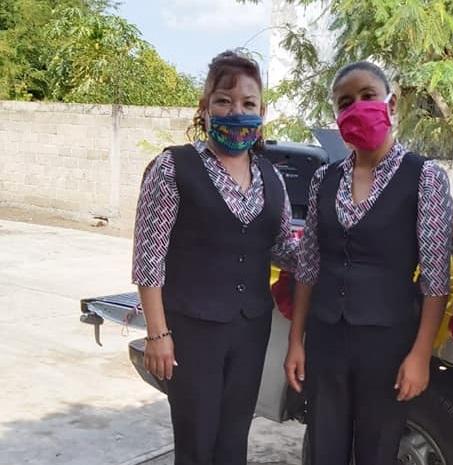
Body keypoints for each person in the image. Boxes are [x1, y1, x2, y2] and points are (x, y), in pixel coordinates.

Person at [132, 50, 297, 465]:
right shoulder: (174, 167)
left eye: (248, 103)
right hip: (190, 331)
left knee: (233, 439)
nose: (235, 111)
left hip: (249, 329)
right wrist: (158, 334)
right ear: (205, 107)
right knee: (195, 442)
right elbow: (149, 257)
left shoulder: (271, 177)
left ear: (262, 113)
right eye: (224, 100)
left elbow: (282, 248)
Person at [284, 61, 453, 465]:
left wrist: (420, 355)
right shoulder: (325, 178)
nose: (357, 107)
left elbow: (435, 278)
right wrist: (296, 341)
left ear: (390, 103)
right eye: (345, 102)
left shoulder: (424, 177)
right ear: (337, 117)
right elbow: (309, 266)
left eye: (367, 97)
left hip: (388, 343)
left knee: (378, 447)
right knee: (324, 444)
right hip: (327, 338)